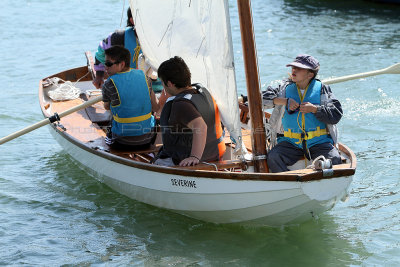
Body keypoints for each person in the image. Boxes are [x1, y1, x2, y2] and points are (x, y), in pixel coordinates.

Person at [262, 54, 342, 173]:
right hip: (290, 142)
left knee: (335, 159)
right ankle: (287, 184)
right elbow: (260, 99)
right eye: (293, 67)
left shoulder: (323, 90)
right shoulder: (283, 89)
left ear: (310, 74)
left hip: (319, 142)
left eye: (299, 68)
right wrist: (284, 101)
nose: (294, 70)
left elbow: (336, 115)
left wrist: (315, 109)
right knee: (274, 157)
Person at [154, 56, 226, 167]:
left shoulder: (181, 104)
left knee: (156, 162)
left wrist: (194, 157)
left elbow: (201, 126)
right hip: (213, 155)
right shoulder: (201, 93)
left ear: (169, 84)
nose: (163, 87)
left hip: (188, 162)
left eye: (163, 83)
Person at [92, 7, 163, 93]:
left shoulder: (162, 38)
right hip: (127, 89)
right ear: (132, 20)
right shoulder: (119, 37)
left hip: (156, 90)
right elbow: (101, 53)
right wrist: (99, 76)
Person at [102, 45, 158, 149]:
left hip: (121, 141)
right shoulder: (145, 77)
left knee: (110, 122)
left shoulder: (109, 84)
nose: (105, 67)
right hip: (147, 139)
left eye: (108, 64)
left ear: (122, 64)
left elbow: (106, 107)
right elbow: (155, 107)